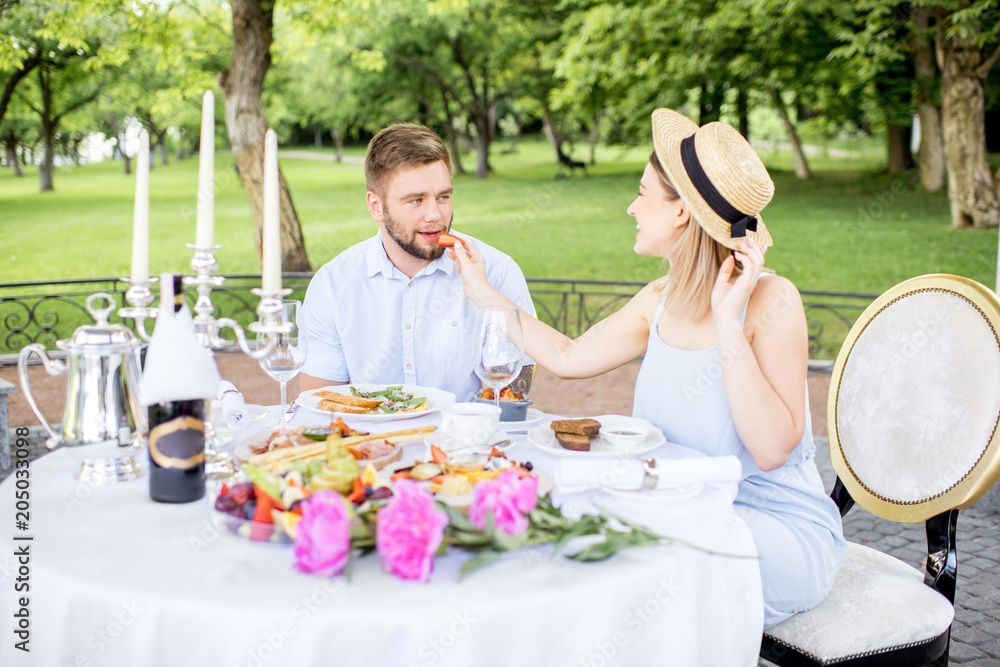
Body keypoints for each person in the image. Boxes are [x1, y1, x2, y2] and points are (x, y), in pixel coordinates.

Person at [448, 108, 846, 627]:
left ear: (681, 211)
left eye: (642, 192)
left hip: (767, 530)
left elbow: (771, 450)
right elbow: (569, 358)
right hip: (676, 509)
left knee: (628, 570)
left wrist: (729, 322)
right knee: (574, 540)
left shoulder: (773, 301)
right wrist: (483, 292)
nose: (631, 207)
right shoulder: (659, 299)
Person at [299, 123, 535, 401]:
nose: (435, 215)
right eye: (416, 201)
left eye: (443, 197)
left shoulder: (497, 272)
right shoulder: (332, 285)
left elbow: (511, 397)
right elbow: (321, 403)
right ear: (376, 206)